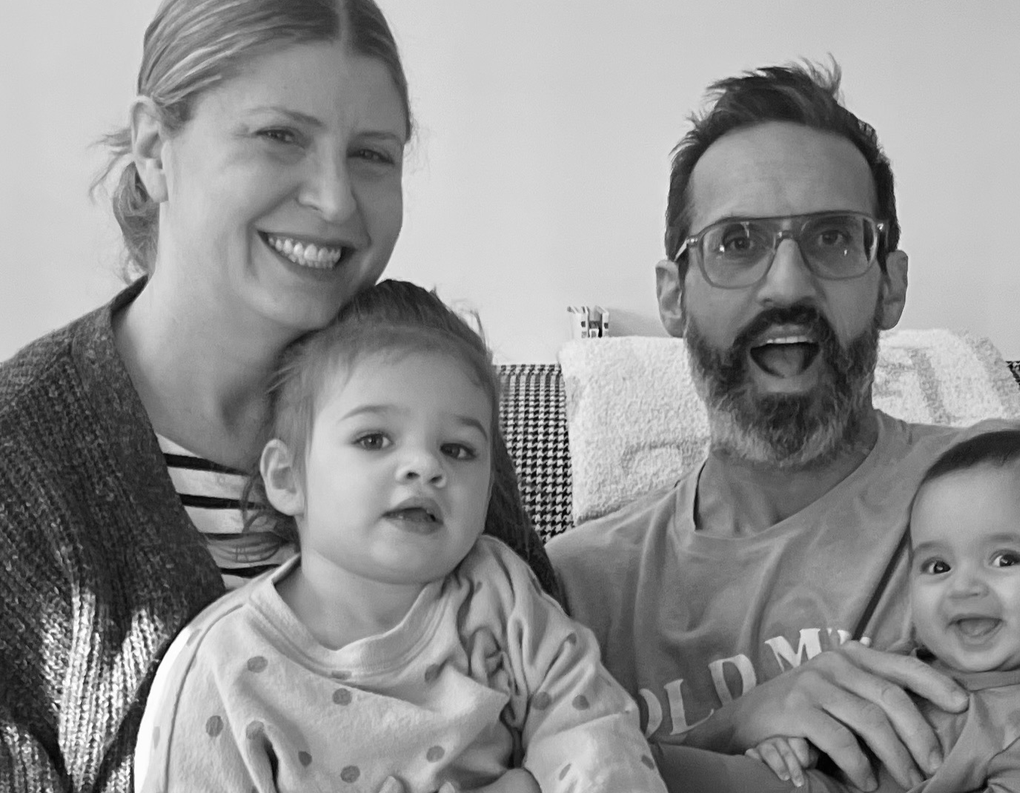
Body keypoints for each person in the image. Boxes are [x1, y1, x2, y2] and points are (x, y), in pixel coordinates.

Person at [545, 60, 1020, 793]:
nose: (787, 284)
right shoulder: (569, 584)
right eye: (736, 242)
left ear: (890, 282)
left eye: (833, 238)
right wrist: (730, 728)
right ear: (674, 297)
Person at [0, 0, 554, 793]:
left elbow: (565, 711)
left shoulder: (427, 404)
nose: (334, 199)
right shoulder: (21, 471)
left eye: (372, 154)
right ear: (154, 148)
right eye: (279, 137)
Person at [133, 280, 665, 793]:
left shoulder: (500, 594)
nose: (425, 465)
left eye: (458, 450)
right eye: (374, 439)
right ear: (288, 477)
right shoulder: (224, 668)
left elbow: (595, 731)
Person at [750, 425, 1020, 791]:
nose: (963, 586)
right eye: (938, 566)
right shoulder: (901, 664)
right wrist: (790, 750)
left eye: (1005, 559)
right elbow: (824, 733)